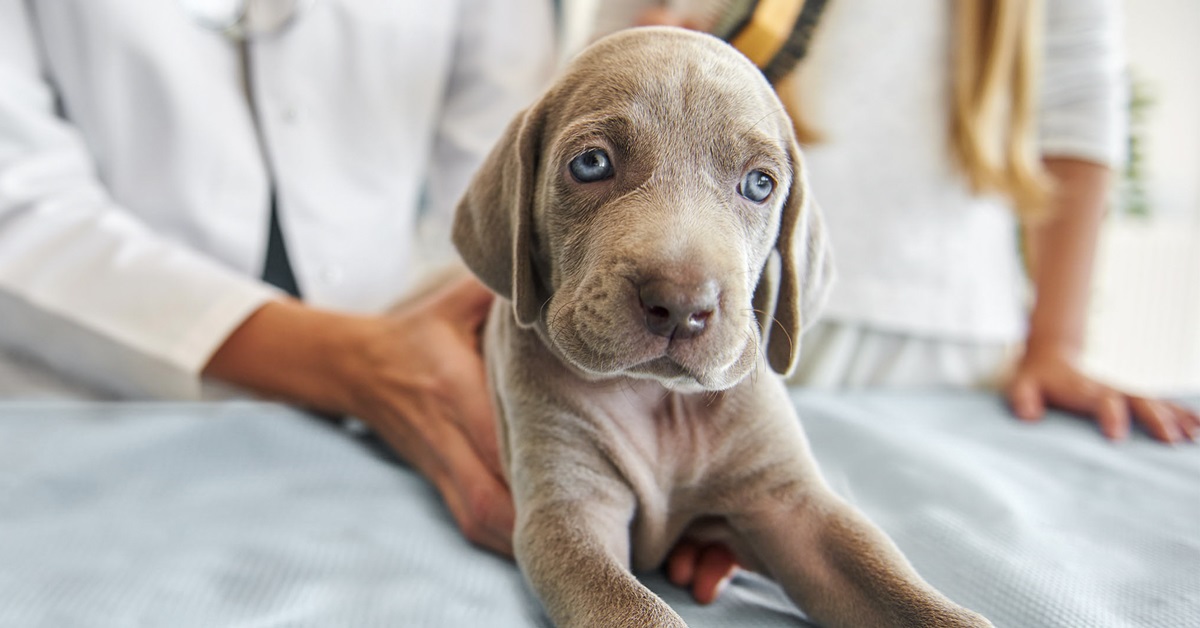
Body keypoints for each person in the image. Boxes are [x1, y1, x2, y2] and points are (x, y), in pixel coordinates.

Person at [580, 0, 1198, 603]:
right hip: (712, 321)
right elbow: (588, 75)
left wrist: (1057, 342)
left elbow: (1077, 99)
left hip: (944, 350)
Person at [0, 0, 557, 557]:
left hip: (405, 392)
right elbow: (19, 213)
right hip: (94, 401)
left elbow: (502, 179)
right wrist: (367, 366)